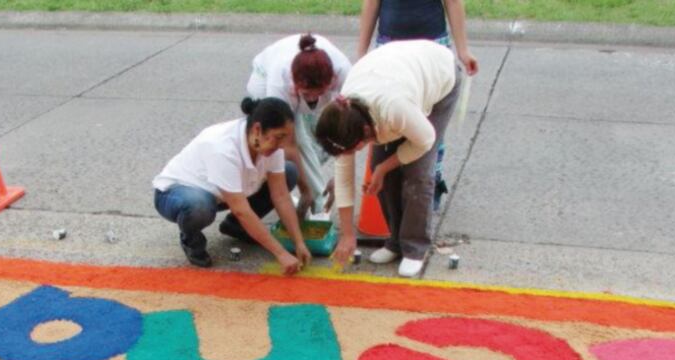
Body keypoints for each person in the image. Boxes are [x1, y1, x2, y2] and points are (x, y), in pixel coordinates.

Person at [315, 40, 463, 278]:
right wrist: (348, 235)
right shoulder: (343, 119)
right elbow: (343, 178)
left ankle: (415, 248)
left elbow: (425, 140)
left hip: (439, 77)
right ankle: (395, 242)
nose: (350, 154)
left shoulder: (394, 108)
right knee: (377, 168)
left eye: (354, 149)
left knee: (417, 173)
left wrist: (384, 168)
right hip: (394, 73)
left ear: (365, 133)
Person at [153, 97, 312, 273]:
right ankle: (191, 240)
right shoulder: (223, 148)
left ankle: (236, 227)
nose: (281, 145)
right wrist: (280, 253)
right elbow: (240, 209)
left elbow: (281, 196)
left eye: (285, 138)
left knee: (289, 172)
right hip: (177, 194)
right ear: (257, 129)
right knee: (200, 207)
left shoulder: (268, 144)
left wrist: (299, 242)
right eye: (278, 137)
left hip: (224, 194)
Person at [356, 0, 479, 210]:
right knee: (387, 120)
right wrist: (361, 53)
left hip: (432, 43)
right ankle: (391, 187)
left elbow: (453, 2)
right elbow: (371, 3)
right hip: (389, 46)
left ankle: (429, 185)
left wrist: (463, 50)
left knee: (428, 126)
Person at [246, 33, 351, 219]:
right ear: (294, 81)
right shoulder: (280, 78)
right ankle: (310, 200)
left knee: (322, 137)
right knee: (287, 144)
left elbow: (351, 128)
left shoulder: (343, 71)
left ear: (331, 80)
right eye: (307, 93)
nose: (311, 98)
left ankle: (310, 186)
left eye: (318, 93)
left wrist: (341, 177)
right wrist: (305, 190)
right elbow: (288, 143)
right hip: (263, 79)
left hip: (308, 88)